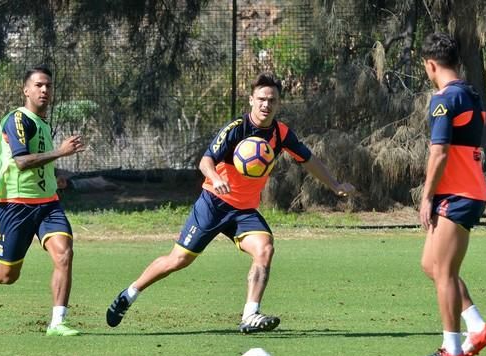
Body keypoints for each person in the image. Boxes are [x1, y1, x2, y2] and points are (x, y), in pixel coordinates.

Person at [105, 72, 355, 333]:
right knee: (178, 260)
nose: (265, 105)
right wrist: (215, 178)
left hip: (244, 211)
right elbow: (205, 161)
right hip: (213, 204)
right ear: (251, 100)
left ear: (278, 103)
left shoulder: (281, 134)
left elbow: (309, 160)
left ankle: (250, 314)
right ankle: (130, 294)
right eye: (261, 99)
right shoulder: (236, 129)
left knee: (265, 249)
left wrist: (335, 184)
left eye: (271, 100)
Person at [0, 65, 85, 337]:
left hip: (48, 203)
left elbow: (41, 163)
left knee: (64, 253)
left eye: (48, 86)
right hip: (15, 205)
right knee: (7, 275)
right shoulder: (17, 120)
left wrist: (55, 176)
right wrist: (60, 152)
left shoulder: (43, 124)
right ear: (25, 90)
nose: (44, 90)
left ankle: (57, 322)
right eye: (38, 85)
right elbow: (22, 161)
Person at [413, 33, 486, 356]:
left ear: (431, 65)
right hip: (467, 191)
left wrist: (426, 195)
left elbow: (440, 152)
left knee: (444, 271)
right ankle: (475, 326)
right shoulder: (472, 95)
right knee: (430, 265)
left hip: (457, 195)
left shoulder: (443, 98)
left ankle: (452, 349)